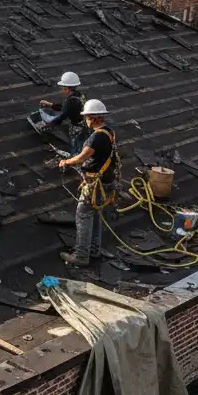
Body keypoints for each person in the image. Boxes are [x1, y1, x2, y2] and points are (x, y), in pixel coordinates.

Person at [57, 99, 118, 268]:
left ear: (93, 118)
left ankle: (81, 255)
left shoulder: (97, 136)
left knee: (83, 215)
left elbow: (82, 157)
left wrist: (66, 162)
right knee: (95, 213)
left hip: (95, 185)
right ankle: (94, 250)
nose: (85, 120)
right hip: (106, 182)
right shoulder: (109, 132)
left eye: (86, 117)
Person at [38, 71, 86, 154]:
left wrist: (50, 124)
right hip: (85, 122)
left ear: (67, 89)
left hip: (78, 126)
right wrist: (50, 104)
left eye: (63, 87)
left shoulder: (71, 101)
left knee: (75, 145)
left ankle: (75, 157)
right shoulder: (81, 95)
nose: (62, 89)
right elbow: (65, 107)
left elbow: (63, 116)